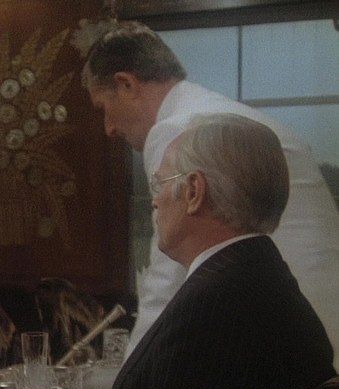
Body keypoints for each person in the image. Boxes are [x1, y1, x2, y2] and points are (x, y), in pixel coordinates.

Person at [0, 113, 336, 389]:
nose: (154, 201)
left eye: (160, 183)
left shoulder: (215, 308)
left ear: (194, 192)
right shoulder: (254, 277)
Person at [83, 21, 339, 367]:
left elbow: (166, 283)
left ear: (126, 84)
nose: (109, 128)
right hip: (314, 322)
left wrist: (128, 381)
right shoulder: (214, 111)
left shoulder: (176, 130)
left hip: (274, 341)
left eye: (103, 108)